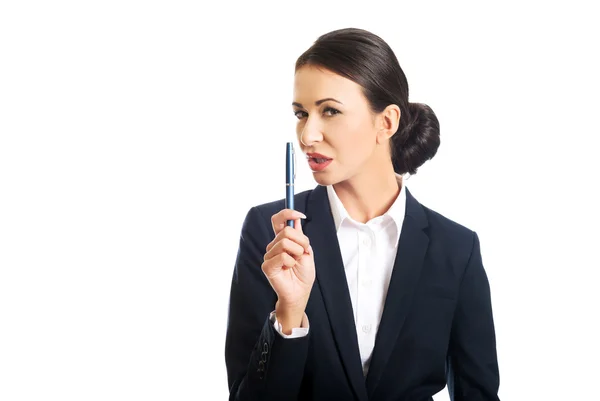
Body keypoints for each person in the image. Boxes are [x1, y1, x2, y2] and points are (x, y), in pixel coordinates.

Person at [224, 27, 500, 401]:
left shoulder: (456, 248)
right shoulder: (271, 233)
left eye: (330, 111)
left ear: (386, 122)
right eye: (301, 114)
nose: (307, 135)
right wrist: (288, 315)